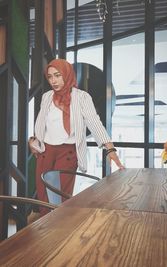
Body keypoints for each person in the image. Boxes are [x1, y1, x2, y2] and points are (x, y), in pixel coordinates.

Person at [29, 58, 124, 216]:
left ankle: (59, 233)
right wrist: (33, 141)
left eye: (58, 75)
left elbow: (94, 123)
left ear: (67, 74)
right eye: (50, 76)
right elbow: (42, 124)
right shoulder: (47, 97)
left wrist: (110, 149)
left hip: (68, 153)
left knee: (60, 197)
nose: (54, 80)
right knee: (43, 196)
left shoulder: (82, 97)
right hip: (45, 151)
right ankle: (45, 233)